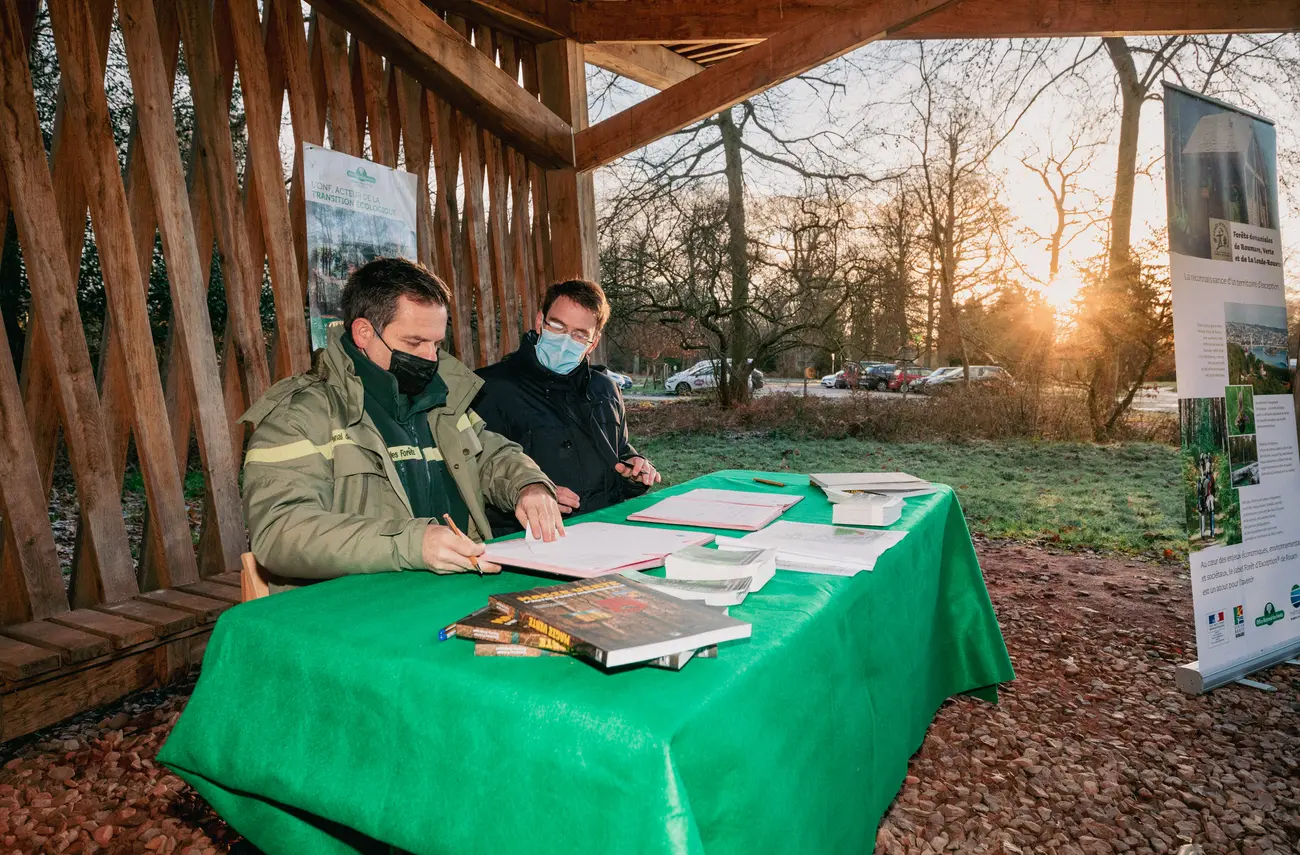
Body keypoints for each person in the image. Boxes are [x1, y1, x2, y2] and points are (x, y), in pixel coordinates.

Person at [240, 257, 564, 588]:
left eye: (437, 343)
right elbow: (281, 532)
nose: (430, 357)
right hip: (352, 608)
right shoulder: (297, 417)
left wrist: (529, 485)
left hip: (454, 587)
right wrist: (413, 543)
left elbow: (489, 455)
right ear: (364, 332)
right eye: (414, 343)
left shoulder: (441, 396)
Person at [473, 279, 659, 533]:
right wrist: (526, 492)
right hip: (531, 544)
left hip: (608, 533)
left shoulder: (605, 389)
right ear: (540, 321)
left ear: (592, 342)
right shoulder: (489, 388)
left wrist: (634, 471)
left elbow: (620, 452)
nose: (565, 340)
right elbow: (475, 473)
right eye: (558, 326)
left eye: (579, 334)